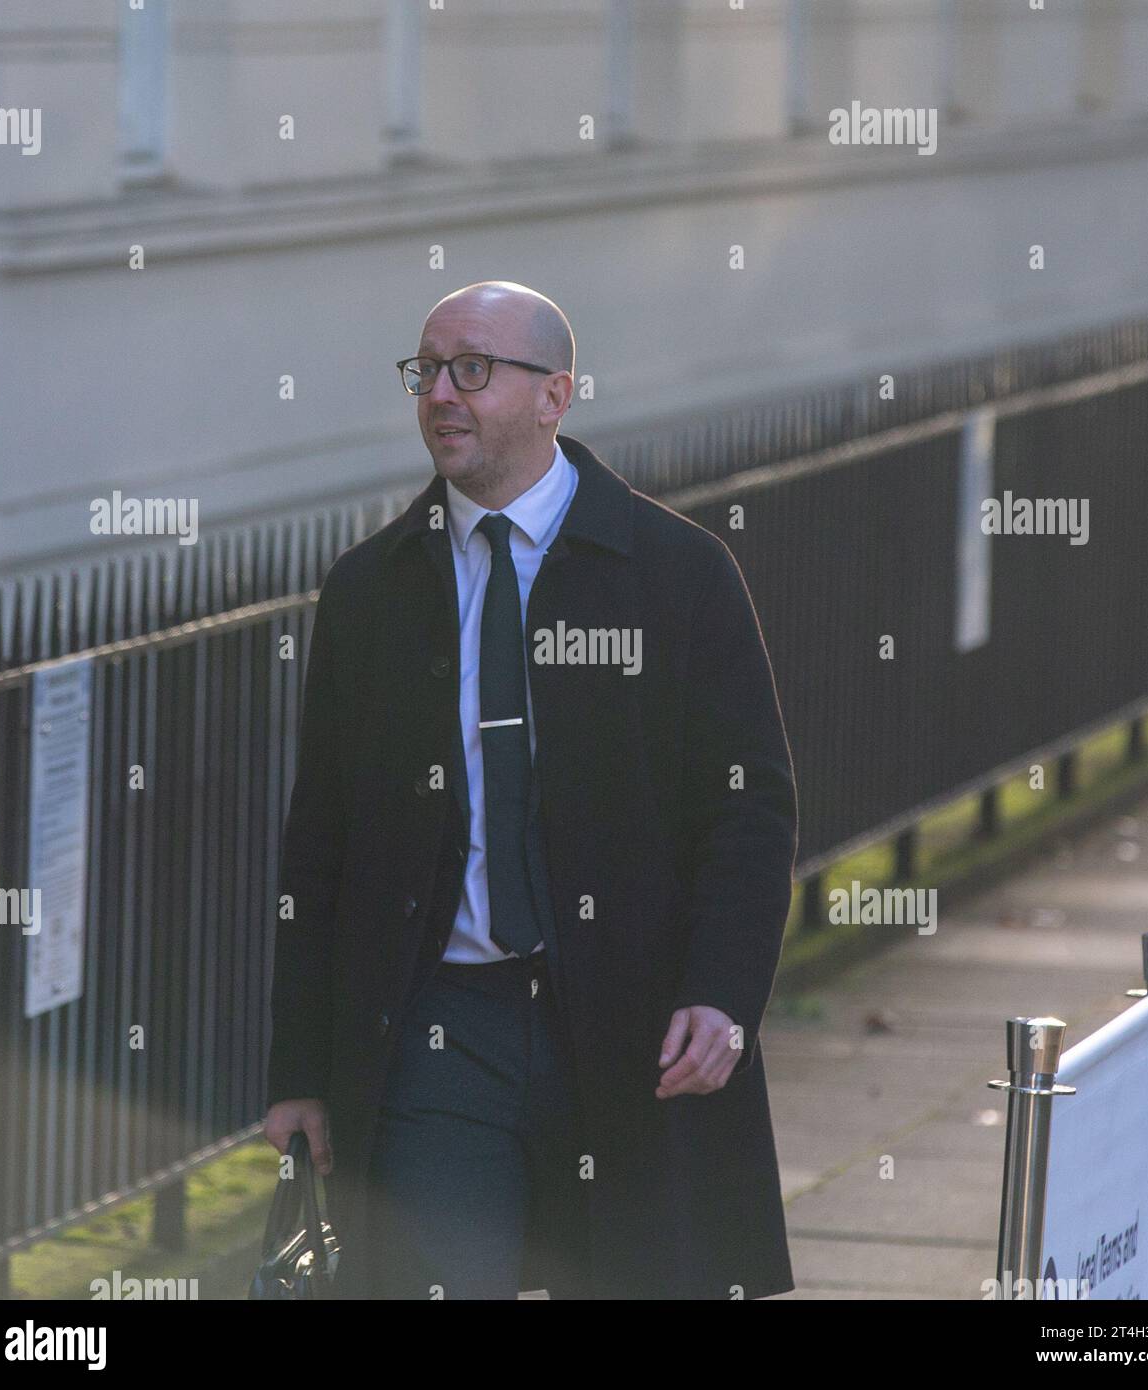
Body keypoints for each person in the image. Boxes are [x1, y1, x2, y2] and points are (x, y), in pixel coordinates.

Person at [263, 280, 798, 1299]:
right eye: (427, 371)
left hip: (631, 1026)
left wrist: (724, 992)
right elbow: (319, 841)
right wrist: (298, 1069)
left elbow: (748, 804)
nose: (441, 396)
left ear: (555, 395)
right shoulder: (370, 590)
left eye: (474, 369)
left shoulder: (677, 573)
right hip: (439, 1036)